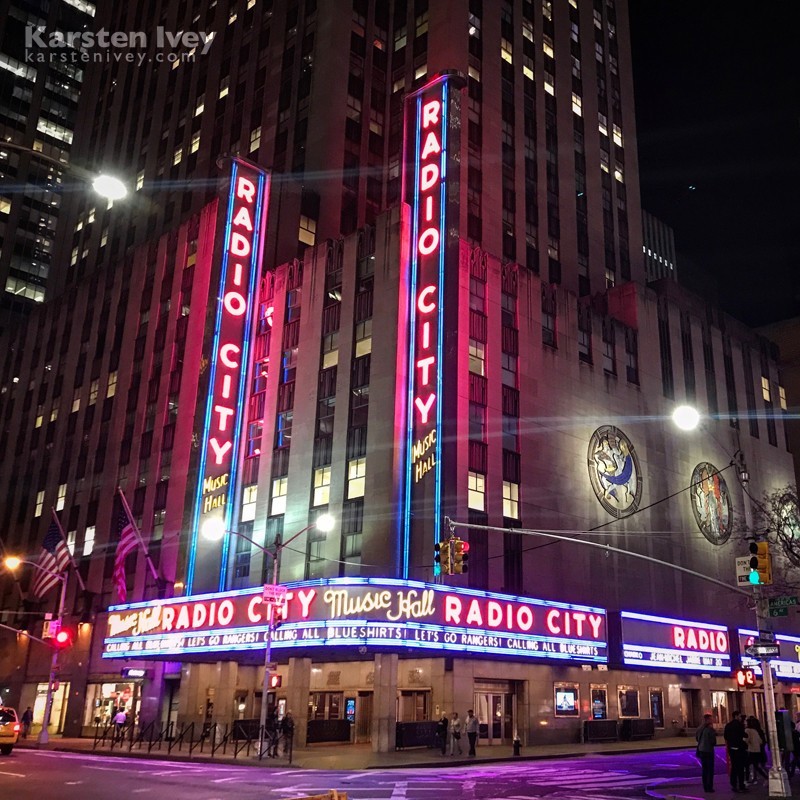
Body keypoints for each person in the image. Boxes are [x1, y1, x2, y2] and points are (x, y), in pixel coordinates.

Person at [723, 711, 747, 793]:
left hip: (731, 748)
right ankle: (741, 785)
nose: (740, 718)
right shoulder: (739, 725)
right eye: (740, 716)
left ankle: (734, 784)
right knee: (740, 767)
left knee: (734, 766)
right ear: (736, 716)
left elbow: (725, 736)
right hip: (739, 748)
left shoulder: (728, 725)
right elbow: (744, 735)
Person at [695, 713, 716, 793]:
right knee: (710, 769)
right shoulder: (710, 729)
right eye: (711, 719)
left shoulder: (699, 728)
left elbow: (697, 738)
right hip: (708, 750)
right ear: (708, 720)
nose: (712, 720)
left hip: (701, 750)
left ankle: (705, 786)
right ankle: (709, 787)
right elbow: (713, 741)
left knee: (704, 769)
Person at [745, 716, 768, 784]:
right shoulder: (758, 731)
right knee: (757, 765)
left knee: (751, 764)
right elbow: (761, 741)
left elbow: (746, 740)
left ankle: (748, 779)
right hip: (759, 750)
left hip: (753, 749)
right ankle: (762, 777)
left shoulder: (749, 730)